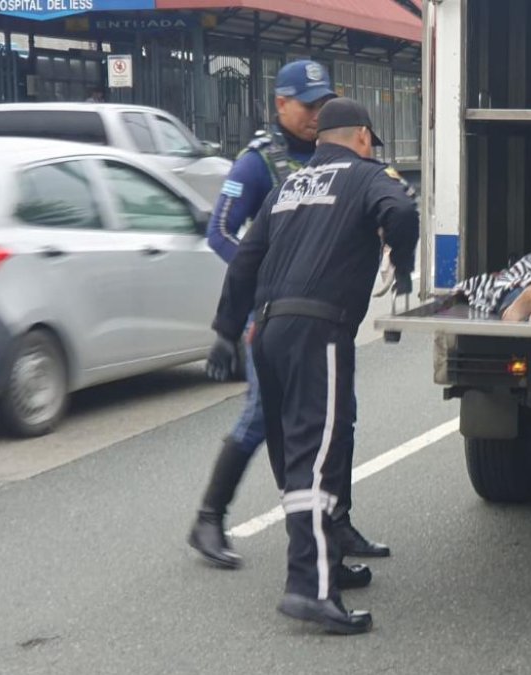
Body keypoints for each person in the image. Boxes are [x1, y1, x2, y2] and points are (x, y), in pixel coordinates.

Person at [206, 97, 418, 634]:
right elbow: (401, 212)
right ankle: (309, 589)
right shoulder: (367, 175)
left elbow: (245, 261)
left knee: (304, 451)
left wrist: (225, 332)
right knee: (317, 458)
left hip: (268, 333)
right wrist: (403, 263)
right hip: (317, 332)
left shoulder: (289, 186)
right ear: (363, 137)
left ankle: (327, 561)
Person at [188, 61, 389, 574]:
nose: (317, 113)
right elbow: (221, 232)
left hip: (324, 314)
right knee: (263, 413)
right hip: (273, 310)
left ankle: (335, 522)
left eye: (325, 104)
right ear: (281, 103)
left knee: (339, 415)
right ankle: (209, 516)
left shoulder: (336, 155)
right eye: (308, 104)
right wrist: (269, 274)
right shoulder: (260, 163)